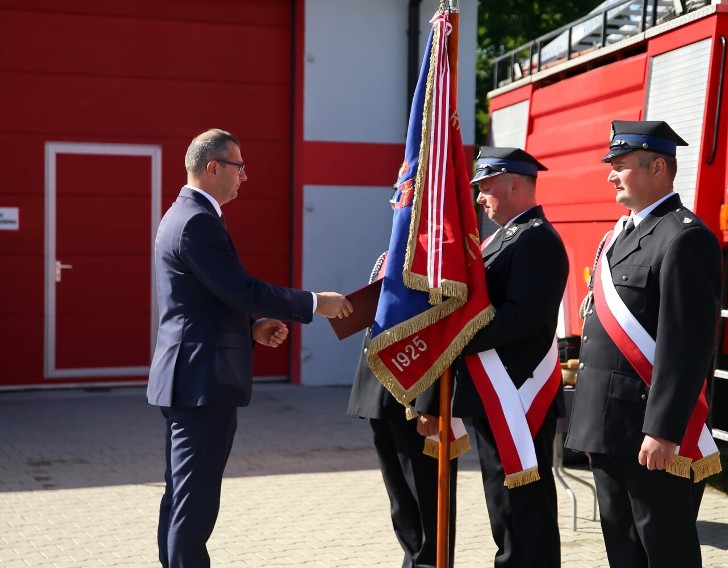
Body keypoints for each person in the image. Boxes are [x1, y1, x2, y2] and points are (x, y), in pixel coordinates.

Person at [148, 128, 353, 568]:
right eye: (239, 166)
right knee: (194, 506)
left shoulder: (186, 215)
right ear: (213, 167)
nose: (245, 176)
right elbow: (239, 287)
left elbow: (213, 296)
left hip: (192, 379)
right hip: (200, 384)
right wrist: (315, 302)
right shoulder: (197, 220)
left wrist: (253, 326)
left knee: (184, 498)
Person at [566, 120, 722, 568]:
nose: (610, 175)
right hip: (608, 427)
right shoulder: (620, 234)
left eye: (620, 166)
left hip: (648, 432)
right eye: (610, 166)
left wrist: (664, 430)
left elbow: (686, 346)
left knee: (665, 550)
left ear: (658, 167)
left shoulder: (684, 237)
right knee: (625, 551)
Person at [419, 146, 568, 567]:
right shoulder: (504, 237)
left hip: (516, 392)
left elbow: (523, 317)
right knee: (505, 508)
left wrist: (456, 339)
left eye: (485, 188)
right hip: (492, 391)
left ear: (515, 185)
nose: (480, 199)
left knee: (523, 512)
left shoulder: (536, 237)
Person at [347, 251, 458, 568]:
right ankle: (412, 562)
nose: (397, 201)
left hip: (416, 399)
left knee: (426, 506)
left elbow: (443, 328)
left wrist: (431, 402)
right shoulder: (395, 249)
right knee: (402, 504)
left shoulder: (436, 251)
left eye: (404, 197)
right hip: (381, 393)